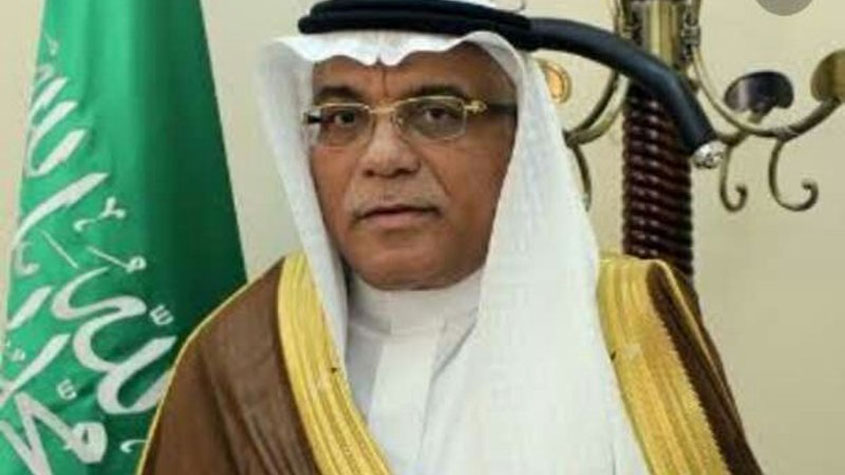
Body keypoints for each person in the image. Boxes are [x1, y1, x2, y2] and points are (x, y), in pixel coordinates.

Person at [136, 1, 760, 473]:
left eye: (437, 113)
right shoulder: (241, 356)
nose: (384, 158)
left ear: (520, 142)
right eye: (344, 118)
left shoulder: (629, 321)